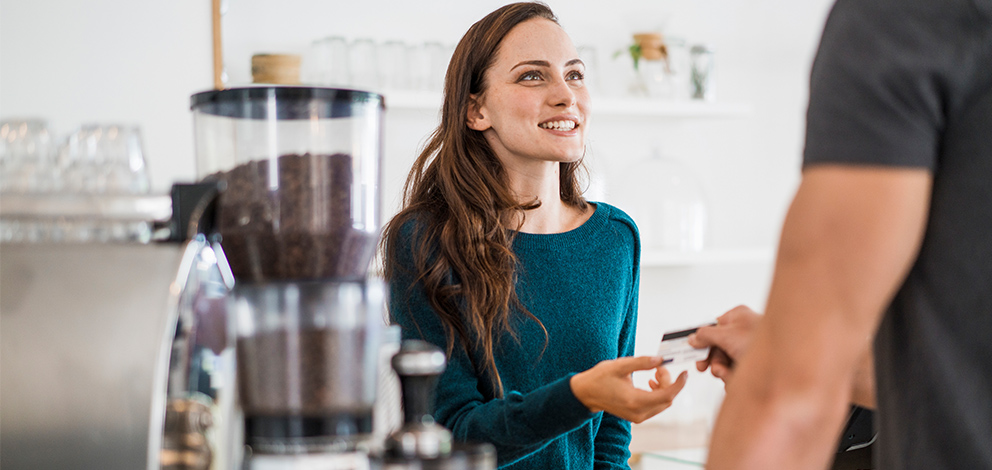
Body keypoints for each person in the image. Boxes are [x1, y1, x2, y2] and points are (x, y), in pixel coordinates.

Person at [681, 0, 992, 468]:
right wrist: (776, 343)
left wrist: (785, 358)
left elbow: (788, 399)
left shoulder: (904, 18)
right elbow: (962, 382)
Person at [380, 3, 687, 469]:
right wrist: (578, 396)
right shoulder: (424, 239)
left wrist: (592, 402)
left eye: (575, 74)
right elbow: (449, 433)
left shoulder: (615, 239)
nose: (566, 95)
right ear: (476, 109)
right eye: (532, 77)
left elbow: (609, 439)